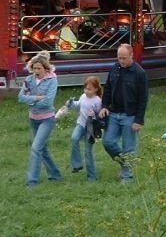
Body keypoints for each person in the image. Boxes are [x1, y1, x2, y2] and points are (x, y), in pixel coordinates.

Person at [100, 43, 149, 183]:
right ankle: (125, 164)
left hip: (130, 115)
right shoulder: (115, 69)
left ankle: (127, 177)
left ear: (131, 56)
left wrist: (139, 120)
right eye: (119, 58)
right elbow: (108, 88)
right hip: (114, 113)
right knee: (108, 142)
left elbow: (143, 98)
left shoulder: (140, 73)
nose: (121, 61)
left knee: (129, 147)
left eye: (124, 58)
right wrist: (104, 106)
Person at [17, 50, 62, 187]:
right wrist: (35, 98)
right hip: (33, 118)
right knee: (43, 148)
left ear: (45, 68)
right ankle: (55, 174)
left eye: (39, 69)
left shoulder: (52, 80)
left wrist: (29, 100)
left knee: (36, 148)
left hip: (47, 118)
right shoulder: (29, 80)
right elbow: (20, 97)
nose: (36, 71)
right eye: (34, 68)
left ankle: (32, 181)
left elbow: (48, 102)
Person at [67, 75, 104, 181]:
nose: (86, 91)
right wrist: (71, 103)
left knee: (88, 152)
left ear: (96, 89)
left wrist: (95, 114)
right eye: (85, 88)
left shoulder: (97, 101)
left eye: (89, 89)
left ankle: (92, 176)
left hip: (91, 128)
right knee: (74, 139)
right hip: (81, 123)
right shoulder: (83, 96)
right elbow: (78, 105)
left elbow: (101, 116)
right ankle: (77, 164)